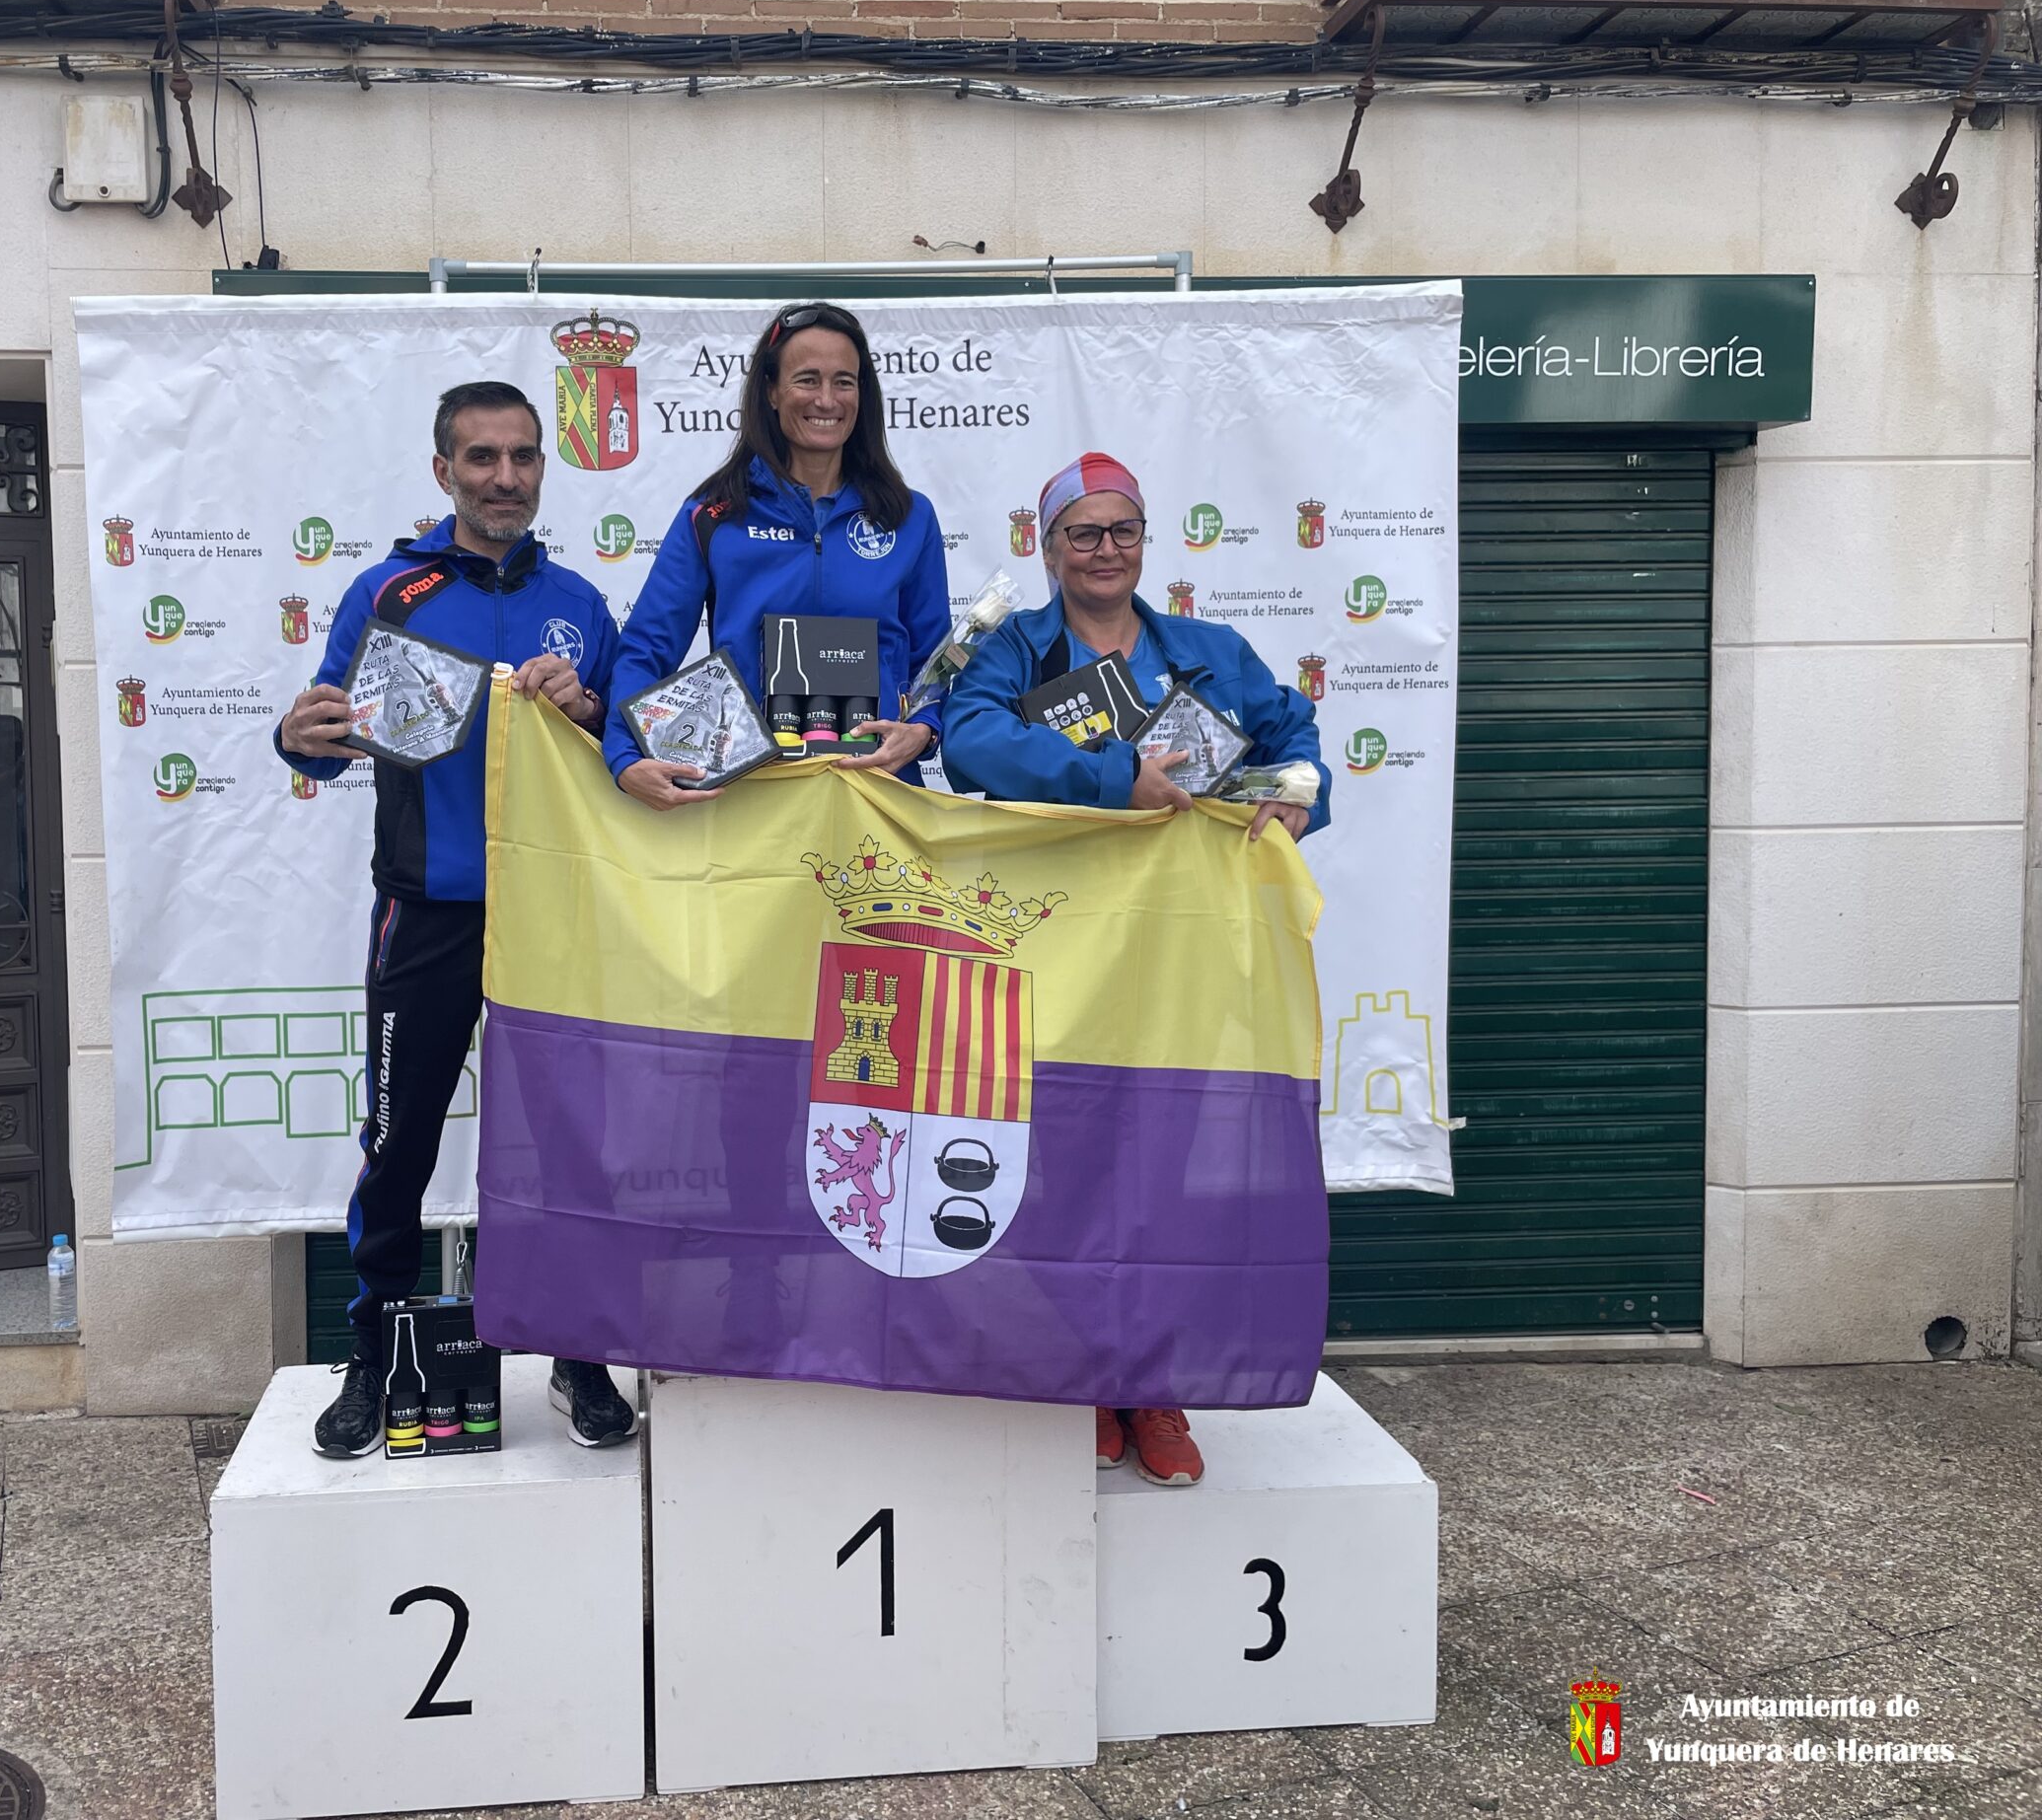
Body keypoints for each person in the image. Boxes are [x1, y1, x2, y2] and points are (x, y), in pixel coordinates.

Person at [942, 452, 1330, 1487]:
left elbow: (1294, 736)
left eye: (1122, 531)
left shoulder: (1209, 651)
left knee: (1166, 1160)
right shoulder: (1014, 651)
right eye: (1083, 533)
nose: (1105, 550)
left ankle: (1150, 1379)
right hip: (1056, 940)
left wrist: (1297, 792)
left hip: (1178, 946)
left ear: (1145, 542)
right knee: (1061, 1155)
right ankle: (1079, 1372)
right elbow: (969, 743)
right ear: (1048, 547)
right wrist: (1116, 776)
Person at [275, 380, 636, 1460]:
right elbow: (323, 736)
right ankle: (373, 1357)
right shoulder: (389, 591)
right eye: (482, 457)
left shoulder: (581, 602)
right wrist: (298, 737)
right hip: (425, 910)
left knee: (569, 1146)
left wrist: (592, 710)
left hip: (554, 914)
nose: (505, 477)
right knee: (399, 1142)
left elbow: (629, 750)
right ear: (444, 471)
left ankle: (578, 1356)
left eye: (522, 457)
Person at [605, 301, 951, 806]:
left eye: (844, 382)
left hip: (877, 794)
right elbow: (646, 649)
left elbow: (934, 660)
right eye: (807, 380)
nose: (827, 400)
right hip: (751, 799)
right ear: (770, 390)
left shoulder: (908, 515)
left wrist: (924, 727)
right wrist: (624, 755)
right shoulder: (714, 514)